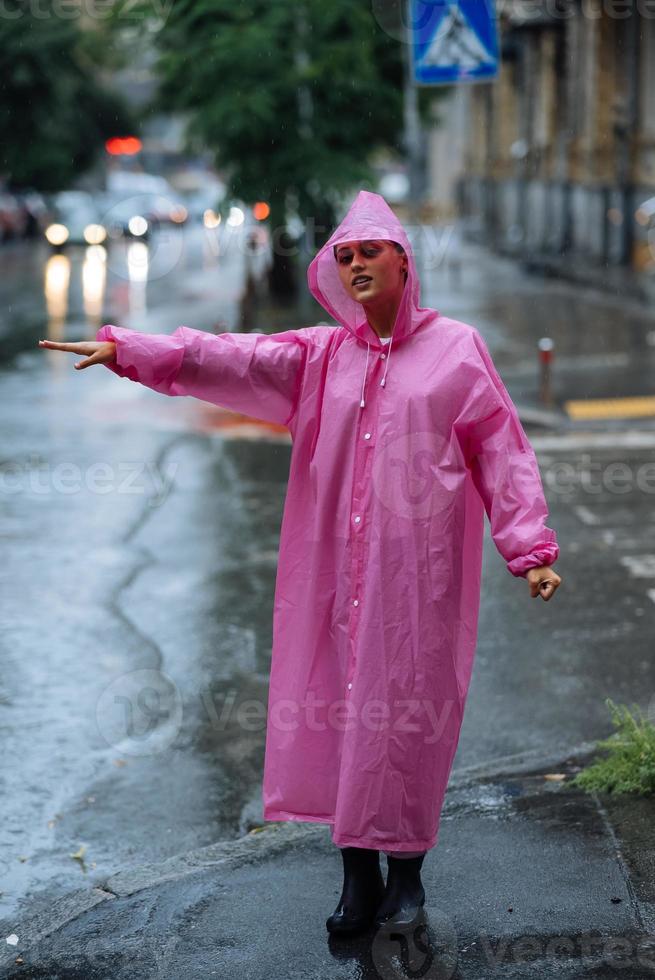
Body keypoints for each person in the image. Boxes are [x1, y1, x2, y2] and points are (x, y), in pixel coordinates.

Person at [38, 190, 561, 937]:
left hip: (418, 578)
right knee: (337, 718)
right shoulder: (320, 357)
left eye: (368, 252)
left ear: (402, 262)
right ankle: (355, 879)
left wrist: (529, 548)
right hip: (329, 576)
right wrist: (130, 350)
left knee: (407, 721)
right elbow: (227, 357)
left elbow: (501, 451)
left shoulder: (456, 350)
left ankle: (405, 879)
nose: (354, 266)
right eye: (342, 256)